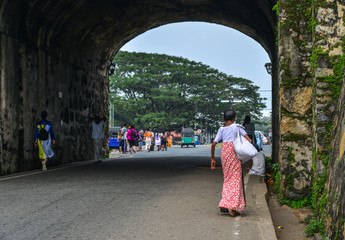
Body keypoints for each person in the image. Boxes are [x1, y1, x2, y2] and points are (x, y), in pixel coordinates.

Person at [211, 109, 252, 217]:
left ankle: (225, 202)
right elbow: (249, 140)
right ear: (234, 118)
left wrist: (212, 159)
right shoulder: (237, 127)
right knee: (236, 180)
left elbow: (214, 144)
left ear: (224, 119)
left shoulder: (221, 129)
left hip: (225, 153)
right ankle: (233, 209)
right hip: (234, 153)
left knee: (228, 179)